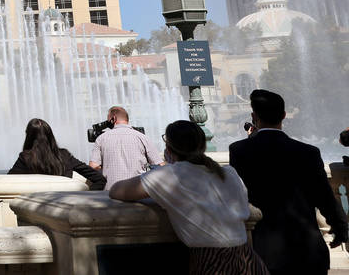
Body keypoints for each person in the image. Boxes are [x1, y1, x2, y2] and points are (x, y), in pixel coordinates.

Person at [109, 120, 268, 274]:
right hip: (249, 259)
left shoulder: (169, 175)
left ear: (169, 148)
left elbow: (116, 190)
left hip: (212, 263)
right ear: (203, 145)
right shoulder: (230, 173)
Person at [228, 89, 348, 274]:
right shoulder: (308, 152)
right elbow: (324, 197)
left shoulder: (238, 151)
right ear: (284, 115)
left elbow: (238, 196)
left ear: (254, 116)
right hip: (307, 251)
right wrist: (340, 228)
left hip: (263, 252)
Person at [9, 118, 106, 190]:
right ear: (50, 135)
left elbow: (8, 181)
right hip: (64, 207)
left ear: (29, 137)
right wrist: (84, 197)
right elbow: (99, 179)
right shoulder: (64, 155)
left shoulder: (25, 158)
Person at [88, 105, 163, 185]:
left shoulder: (101, 138)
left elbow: (93, 166)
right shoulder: (142, 137)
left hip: (111, 190)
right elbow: (160, 165)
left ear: (113, 119)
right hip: (137, 190)